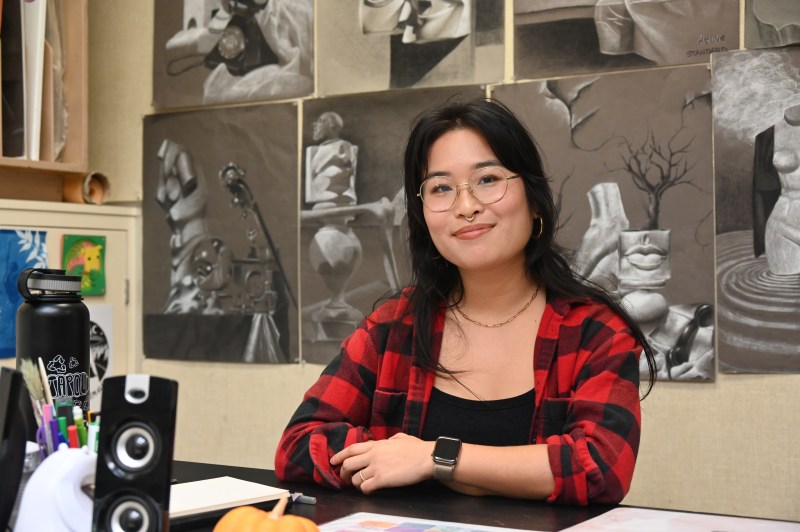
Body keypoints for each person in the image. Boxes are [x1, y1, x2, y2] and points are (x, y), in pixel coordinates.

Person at [275, 98, 657, 505]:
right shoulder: (394, 325)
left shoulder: (594, 332)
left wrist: (433, 459)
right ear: (424, 216)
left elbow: (600, 468)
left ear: (534, 199)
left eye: (488, 179)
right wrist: (402, 458)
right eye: (441, 188)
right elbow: (298, 446)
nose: (467, 206)